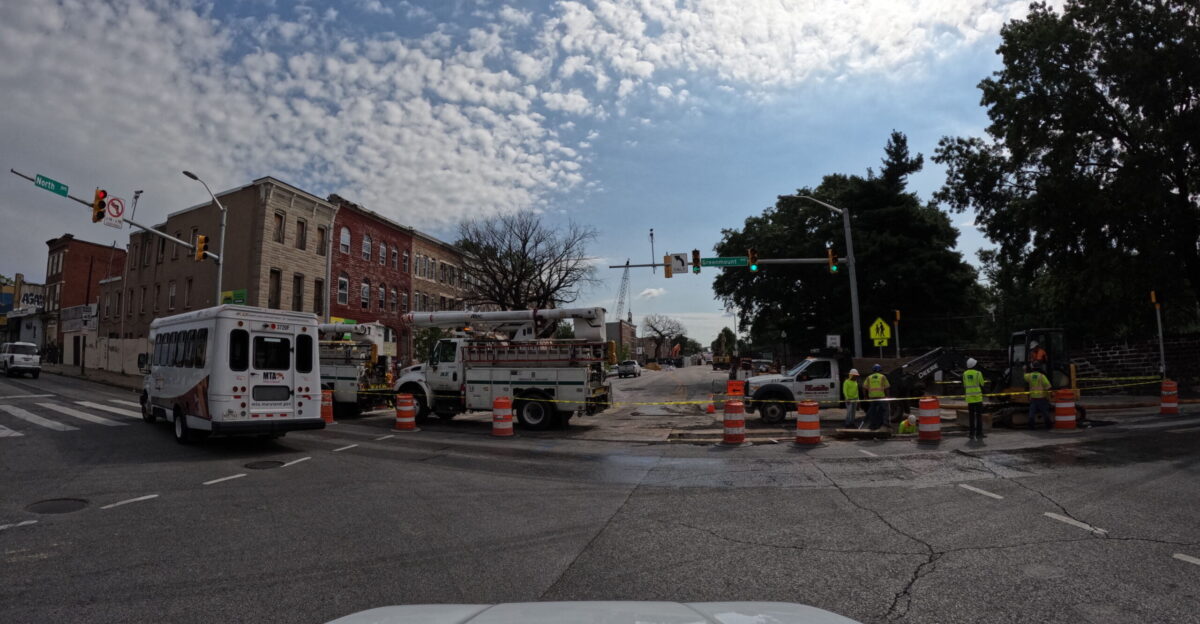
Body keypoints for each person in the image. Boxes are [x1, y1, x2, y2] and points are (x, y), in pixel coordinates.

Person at [963, 357, 986, 440]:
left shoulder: (965, 374)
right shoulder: (978, 373)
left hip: (970, 399)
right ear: (974, 365)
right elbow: (982, 384)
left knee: (971, 417)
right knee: (979, 416)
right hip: (978, 399)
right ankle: (979, 433)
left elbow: (965, 385)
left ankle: (971, 434)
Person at [1025, 363, 1052, 430]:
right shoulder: (1042, 376)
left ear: (1032, 368)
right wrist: (1049, 394)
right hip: (1042, 398)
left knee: (1031, 414)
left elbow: (1024, 376)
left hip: (1033, 399)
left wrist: (1025, 370)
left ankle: (1031, 427)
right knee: (1045, 413)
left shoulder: (1029, 376)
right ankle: (1048, 426)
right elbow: (1048, 386)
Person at [863, 364, 891, 430]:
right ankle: (885, 424)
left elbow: (864, 387)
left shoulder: (869, 377)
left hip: (872, 397)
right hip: (881, 397)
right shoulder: (882, 377)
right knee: (885, 410)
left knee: (873, 411)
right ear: (880, 370)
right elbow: (887, 388)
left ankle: (873, 425)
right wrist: (888, 396)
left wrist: (865, 396)